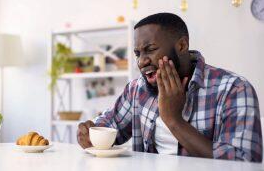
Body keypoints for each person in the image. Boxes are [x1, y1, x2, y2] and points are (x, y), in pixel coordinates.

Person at [77, 13, 262, 162]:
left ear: (182, 45)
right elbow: (109, 127)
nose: (141, 61)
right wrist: (89, 131)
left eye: (150, 49)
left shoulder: (234, 89)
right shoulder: (137, 89)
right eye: (137, 53)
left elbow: (244, 162)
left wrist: (174, 120)